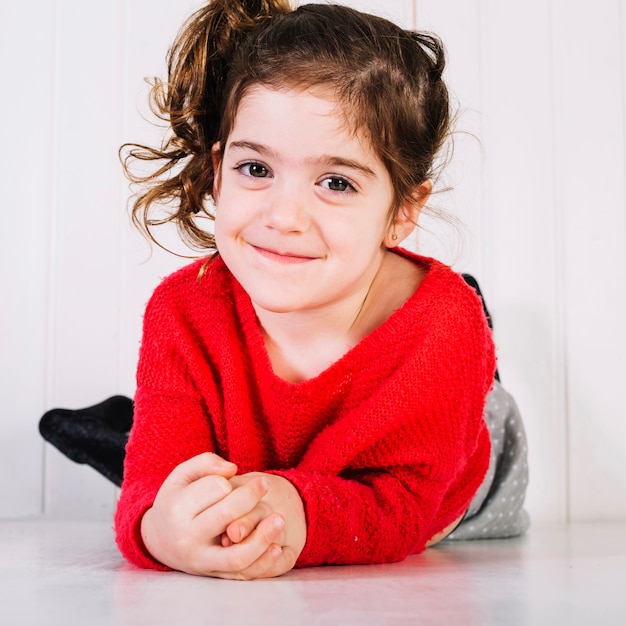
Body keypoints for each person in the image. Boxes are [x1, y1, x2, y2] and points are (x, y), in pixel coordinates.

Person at [113, 0, 529, 580]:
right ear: (218, 168)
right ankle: (125, 433)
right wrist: (159, 528)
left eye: (335, 183)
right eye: (256, 170)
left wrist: (303, 517)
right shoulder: (182, 308)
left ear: (403, 210)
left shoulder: (444, 324)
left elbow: (406, 509)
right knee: (183, 480)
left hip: (444, 467)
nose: (284, 217)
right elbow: (153, 490)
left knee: (483, 420)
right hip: (271, 454)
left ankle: (480, 372)